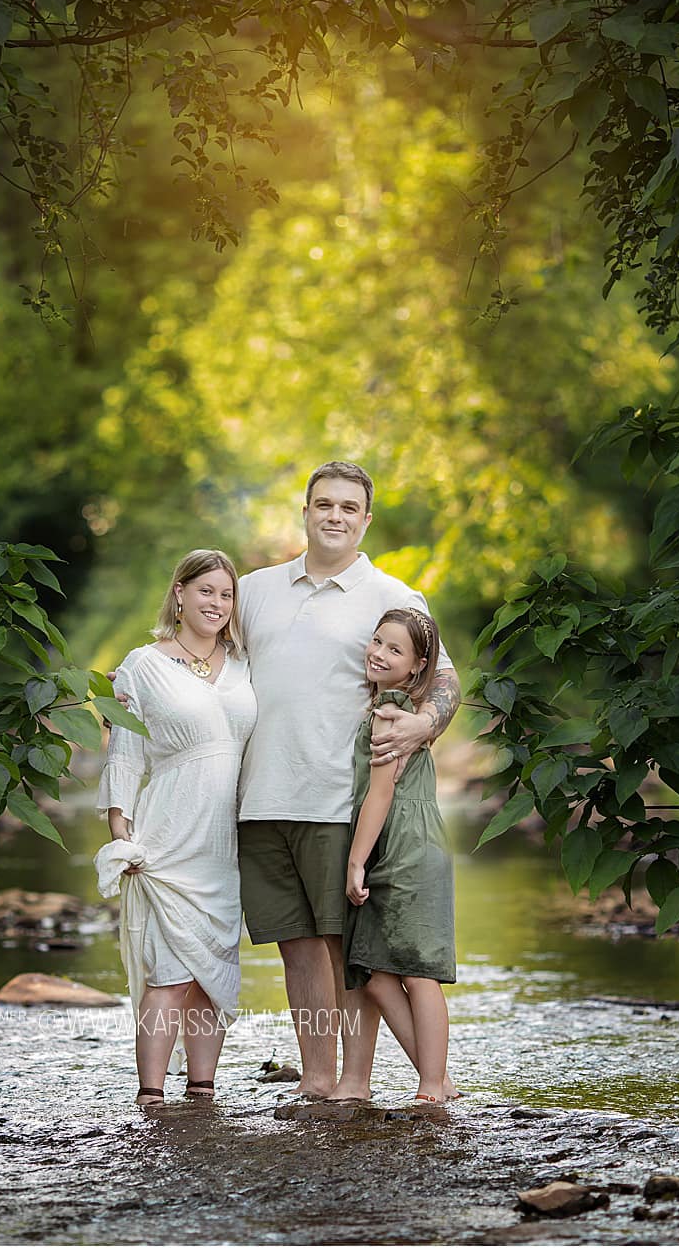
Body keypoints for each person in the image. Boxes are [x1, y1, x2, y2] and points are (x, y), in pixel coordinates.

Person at [235, 460, 458, 1099]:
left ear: (365, 520)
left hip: (338, 797)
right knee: (297, 950)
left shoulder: (390, 595)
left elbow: (443, 678)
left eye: (348, 508)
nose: (334, 516)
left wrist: (422, 728)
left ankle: (356, 1085)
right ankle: (317, 1080)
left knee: (345, 950)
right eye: (323, 504)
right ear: (305, 511)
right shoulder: (256, 590)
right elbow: (206, 649)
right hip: (261, 796)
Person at [95, 549, 256, 1107]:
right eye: (205, 590)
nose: (216, 603)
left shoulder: (243, 665)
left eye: (226, 594)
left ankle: (203, 1092)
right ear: (180, 593)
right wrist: (122, 833)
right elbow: (126, 754)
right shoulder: (143, 665)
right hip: (168, 836)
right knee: (169, 974)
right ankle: (150, 1097)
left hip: (228, 842)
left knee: (213, 969)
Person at [332, 608, 456, 1103]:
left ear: (418, 665)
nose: (380, 654)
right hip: (393, 845)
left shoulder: (392, 713)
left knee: (417, 970)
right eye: (377, 642)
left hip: (407, 848)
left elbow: (381, 793)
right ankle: (439, 1079)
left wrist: (355, 861)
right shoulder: (385, 706)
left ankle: (430, 1089)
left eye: (395, 650)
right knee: (378, 977)